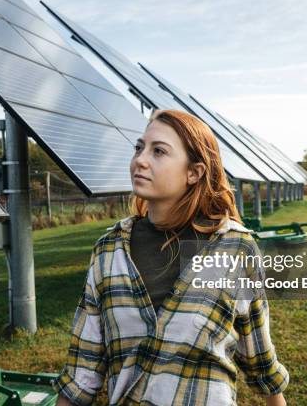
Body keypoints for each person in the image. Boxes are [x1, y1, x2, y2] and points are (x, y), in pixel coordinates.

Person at [53, 110, 289, 405]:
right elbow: (82, 370)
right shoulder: (109, 250)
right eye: (139, 148)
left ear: (194, 172)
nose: (140, 159)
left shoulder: (234, 248)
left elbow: (259, 357)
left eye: (159, 151)